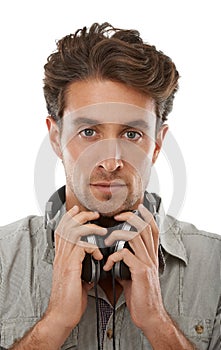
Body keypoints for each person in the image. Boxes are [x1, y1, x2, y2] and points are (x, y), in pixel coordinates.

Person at [0, 22, 220, 350]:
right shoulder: (4, 260)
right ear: (56, 138)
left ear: (157, 144)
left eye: (132, 134)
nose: (111, 161)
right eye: (89, 132)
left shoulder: (216, 265)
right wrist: (55, 322)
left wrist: (158, 323)